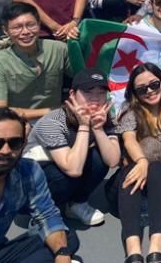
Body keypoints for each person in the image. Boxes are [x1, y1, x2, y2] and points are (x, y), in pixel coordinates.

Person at [0, 108, 80, 262]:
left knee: (67, 239)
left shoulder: (28, 170)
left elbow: (47, 215)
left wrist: (62, 254)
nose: (5, 151)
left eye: (15, 143)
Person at [24, 68, 120, 225]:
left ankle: (75, 203)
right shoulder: (53, 121)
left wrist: (98, 128)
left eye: (101, 93)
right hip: (34, 179)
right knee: (62, 175)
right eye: (88, 92)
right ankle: (42, 212)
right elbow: (73, 170)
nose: (95, 99)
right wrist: (84, 125)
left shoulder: (105, 117)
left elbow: (112, 161)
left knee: (99, 157)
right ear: (72, 94)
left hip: (68, 163)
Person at [117, 63, 161, 263]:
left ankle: (155, 250)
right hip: (130, 184)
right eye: (142, 89)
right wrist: (141, 161)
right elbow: (129, 139)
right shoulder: (129, 111)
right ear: (135, 93)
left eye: (154, 84)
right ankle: (134, 253)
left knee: (157, 166)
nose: (149, 91)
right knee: (144, 163)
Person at [0, 3, 71, 122]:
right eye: (17, 27)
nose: (25, 32)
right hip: (19, 123)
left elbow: (83, 76)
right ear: (6, 30)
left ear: (39, 24)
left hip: (56, 121)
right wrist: (56, 110)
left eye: (31, 25)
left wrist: (77, 38)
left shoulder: (59, 49)